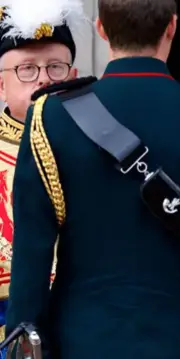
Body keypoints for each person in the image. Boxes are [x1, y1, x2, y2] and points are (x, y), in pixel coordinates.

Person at [5, 0, 180, 358]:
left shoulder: (51, 118)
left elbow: (31, 257)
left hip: (81, 344)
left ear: (101, 30)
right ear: (172, 27)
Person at [0, 0, 83, 342]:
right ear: (1, 84)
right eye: (27, 70)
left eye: (55, 68)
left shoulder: (97, 150)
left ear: (74, 77)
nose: (43, 81)